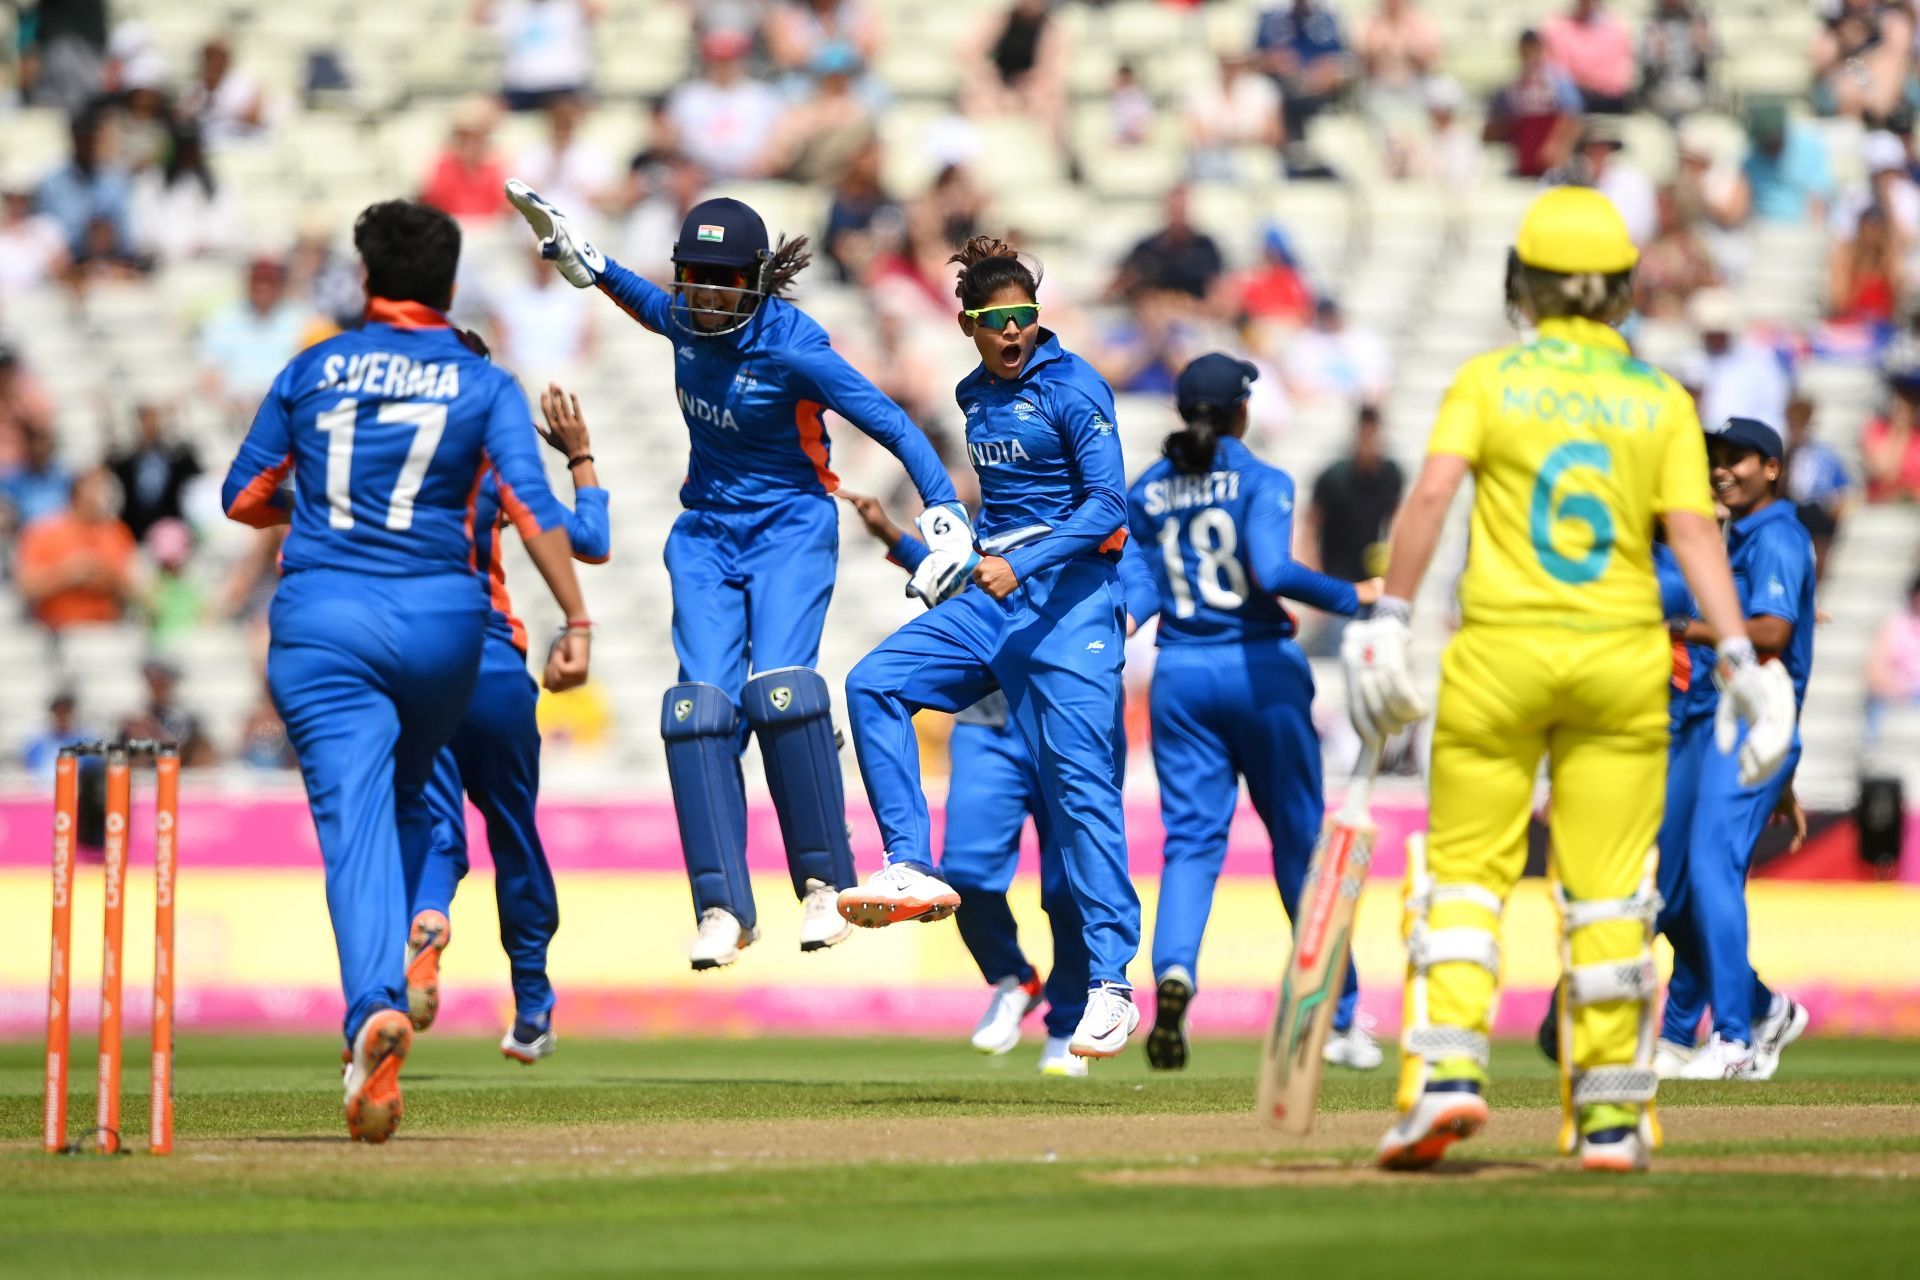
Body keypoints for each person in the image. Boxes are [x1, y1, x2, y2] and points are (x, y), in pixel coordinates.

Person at [1340, 187, 1796, 1173]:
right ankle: (1611, 1116)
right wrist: (1735, 652)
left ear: (1523, 286)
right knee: (1608, 899)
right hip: (1620, 666)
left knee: (1463, 880)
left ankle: (1448, 1079)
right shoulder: (1659, 400)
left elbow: (1428, 495)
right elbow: (1692, 536)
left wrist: (1386, 617)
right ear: (1623, 290)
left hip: (1499, 657)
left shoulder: (1490, 379)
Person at [504, 179, 960, 970]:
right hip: (705, 535)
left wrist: (945, 510)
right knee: (696, 711)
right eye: (694, 277)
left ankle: (824, 884)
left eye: (722, 280)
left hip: (790, 526)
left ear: (754, 280)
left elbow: (891, 421)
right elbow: (636, 296)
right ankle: (722, 906)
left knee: (781, 689)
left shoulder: (793, 347)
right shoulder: (683, 316)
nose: (705, 296)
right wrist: (588, 259)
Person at [220, 198, 593, 1143]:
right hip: (448, 630)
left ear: (364, 276)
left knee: (362, 825)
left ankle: (371, 1011)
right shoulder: (485, 382)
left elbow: (243, 496)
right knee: (434, 812)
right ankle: (501, 976)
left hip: (326, 622)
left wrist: (323, 519)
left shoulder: (312, 365)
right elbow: (536, 508)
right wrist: (578, 618)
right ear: (450, 285)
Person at [836, 237, 1144, 1063]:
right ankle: (907, 862)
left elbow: (1106, 504)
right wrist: (944, 549)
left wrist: (1019, 560)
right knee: (874, 682)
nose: (1013, 333)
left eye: (1024, 318)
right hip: (998, 603)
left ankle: (1113, 985)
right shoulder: (973, 394)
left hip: (1072, 607)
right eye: (996, 320)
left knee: (1083, 803)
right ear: (969, 325)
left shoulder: (1076, 386)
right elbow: (1000, 516)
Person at [1127, 353, 1384, 1074]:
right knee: (1300, 846)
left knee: (1191, 845)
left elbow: (1138, 601)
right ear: (1241, 410)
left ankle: (1174, 973)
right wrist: (1356, 596)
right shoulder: (1263, 479)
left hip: (1179, 678)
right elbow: (1272, 572)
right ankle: (1335, 1018)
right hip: (1261, 673)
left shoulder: (1148, 489)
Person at [840, 488, 1154, 1076]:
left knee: (1066, 888)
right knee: (968, 873)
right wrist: (889, 536)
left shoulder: (1101, 532)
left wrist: (1107, 627)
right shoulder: (1001, 525)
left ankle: (1068, 1021)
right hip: (988, 728)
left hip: (1068, 716)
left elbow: (1142, 581)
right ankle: (1013, 975)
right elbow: (954, 576)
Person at [407, 383, 608, 1064]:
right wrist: (579, 457)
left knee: (435, 828)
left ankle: (428, 918)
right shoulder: (496, 464)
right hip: (490, 659)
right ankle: (531, 1010)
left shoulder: (383, 461)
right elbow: (591, 541)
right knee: (512, 831)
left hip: (412, 664)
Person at [1654, 418, 1814, 1082]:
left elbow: (1772, 630)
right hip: (1719, 721)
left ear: (1772, 467)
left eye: (1738, 458)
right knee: (1673, 890)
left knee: (1709, 873)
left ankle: (1735, 1038)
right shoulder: (1736, 537)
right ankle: (1758, 1010)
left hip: (1749, 721)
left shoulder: (1775, 534)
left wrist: (1684, 627)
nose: (1723, 469)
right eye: (1716, 459)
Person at [1303, 404, 1403, 652]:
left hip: (1374, 582)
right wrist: (1316, 585)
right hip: (1339, 584)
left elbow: (1398, 523)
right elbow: (1310, 529)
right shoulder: (1334, 477)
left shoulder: (1391, 475)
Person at [13, 466, 140, 633]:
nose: (103, 495)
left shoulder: (118, 532)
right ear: (78, 491)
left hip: (106, 630)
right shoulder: (44, 531)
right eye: (97, 487)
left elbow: (135, 590)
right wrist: (68, 573)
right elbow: (25, 587)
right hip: (55, 632)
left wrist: (102, 575)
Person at [1484, 29, 1582, 179]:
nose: (1529, 53)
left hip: (1551, 163)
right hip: (1525, 160)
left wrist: (1557, 145)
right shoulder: (1513, 85)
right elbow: (1497, 124)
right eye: (1525, 48)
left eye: (1533, 47)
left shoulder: (1557, 80)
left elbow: (1573, 117)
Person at [106, 402, 201, 541]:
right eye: (146, 419)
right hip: (131, 537)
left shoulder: (182, 462)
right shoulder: (121, 464)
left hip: (172, 540)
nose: (152, 424)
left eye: (156, 418)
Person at [1783, 395, 1849, 579]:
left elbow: (1840, 489)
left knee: (1818, 557)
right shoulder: (1783, 453)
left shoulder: (1823, 454)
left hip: (1817, 511)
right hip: (1790, 509)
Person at [120, 656, 217, 766]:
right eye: (152, 681)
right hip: (145, 777)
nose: (156, 687)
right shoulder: (135, 720)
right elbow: (121, 757)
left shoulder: (189, 719)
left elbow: (199, 757)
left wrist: (154, 734)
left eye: (161, 682)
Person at [1540, 0, 1634, 114]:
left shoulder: (1615, 27)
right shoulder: (1558, 26)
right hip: (1574, 96)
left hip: (1608, 97)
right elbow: (1556, 69)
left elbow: (1618, 75)